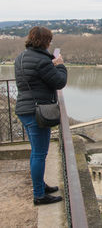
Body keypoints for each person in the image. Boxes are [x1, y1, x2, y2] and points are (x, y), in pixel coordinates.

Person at [14, 26, 67, 205]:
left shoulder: (21, 57)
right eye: (49, 40)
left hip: (24, 109)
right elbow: (59, 82)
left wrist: (50, 65)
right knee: (39, 154)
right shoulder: (42, 60)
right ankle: (39, 195)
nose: (50, 43)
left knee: (36, 152)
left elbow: (34, 77)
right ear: (45, 41)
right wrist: (60, 66)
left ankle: (41, 185)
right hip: (37, 112)